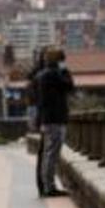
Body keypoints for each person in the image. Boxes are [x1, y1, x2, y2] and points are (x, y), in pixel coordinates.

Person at [31, 47, 74, 197]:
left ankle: (46, 185)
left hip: (47, 118)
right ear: (58, 60)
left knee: (48, 153)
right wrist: (65, 70)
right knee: (51, 153)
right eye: (62, 60)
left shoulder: (40, 75)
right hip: (55, 119)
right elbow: (69, 86)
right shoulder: (53, 74)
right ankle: (49, 187)